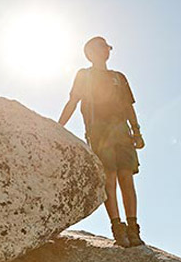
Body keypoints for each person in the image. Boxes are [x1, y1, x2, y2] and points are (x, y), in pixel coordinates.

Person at [58, 36, 146, 248]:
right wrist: (58, 127)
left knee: (126, 177)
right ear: (91, 52)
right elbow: (73, 101)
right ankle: (117, 228)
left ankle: (133, 228)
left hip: (121, 132)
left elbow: (128, 106)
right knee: (110, 177)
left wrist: (136, 130)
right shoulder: (84, 75)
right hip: (98, 132)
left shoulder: (118, 77)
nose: (107, 50)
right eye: (103, 46)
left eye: (108, 47)